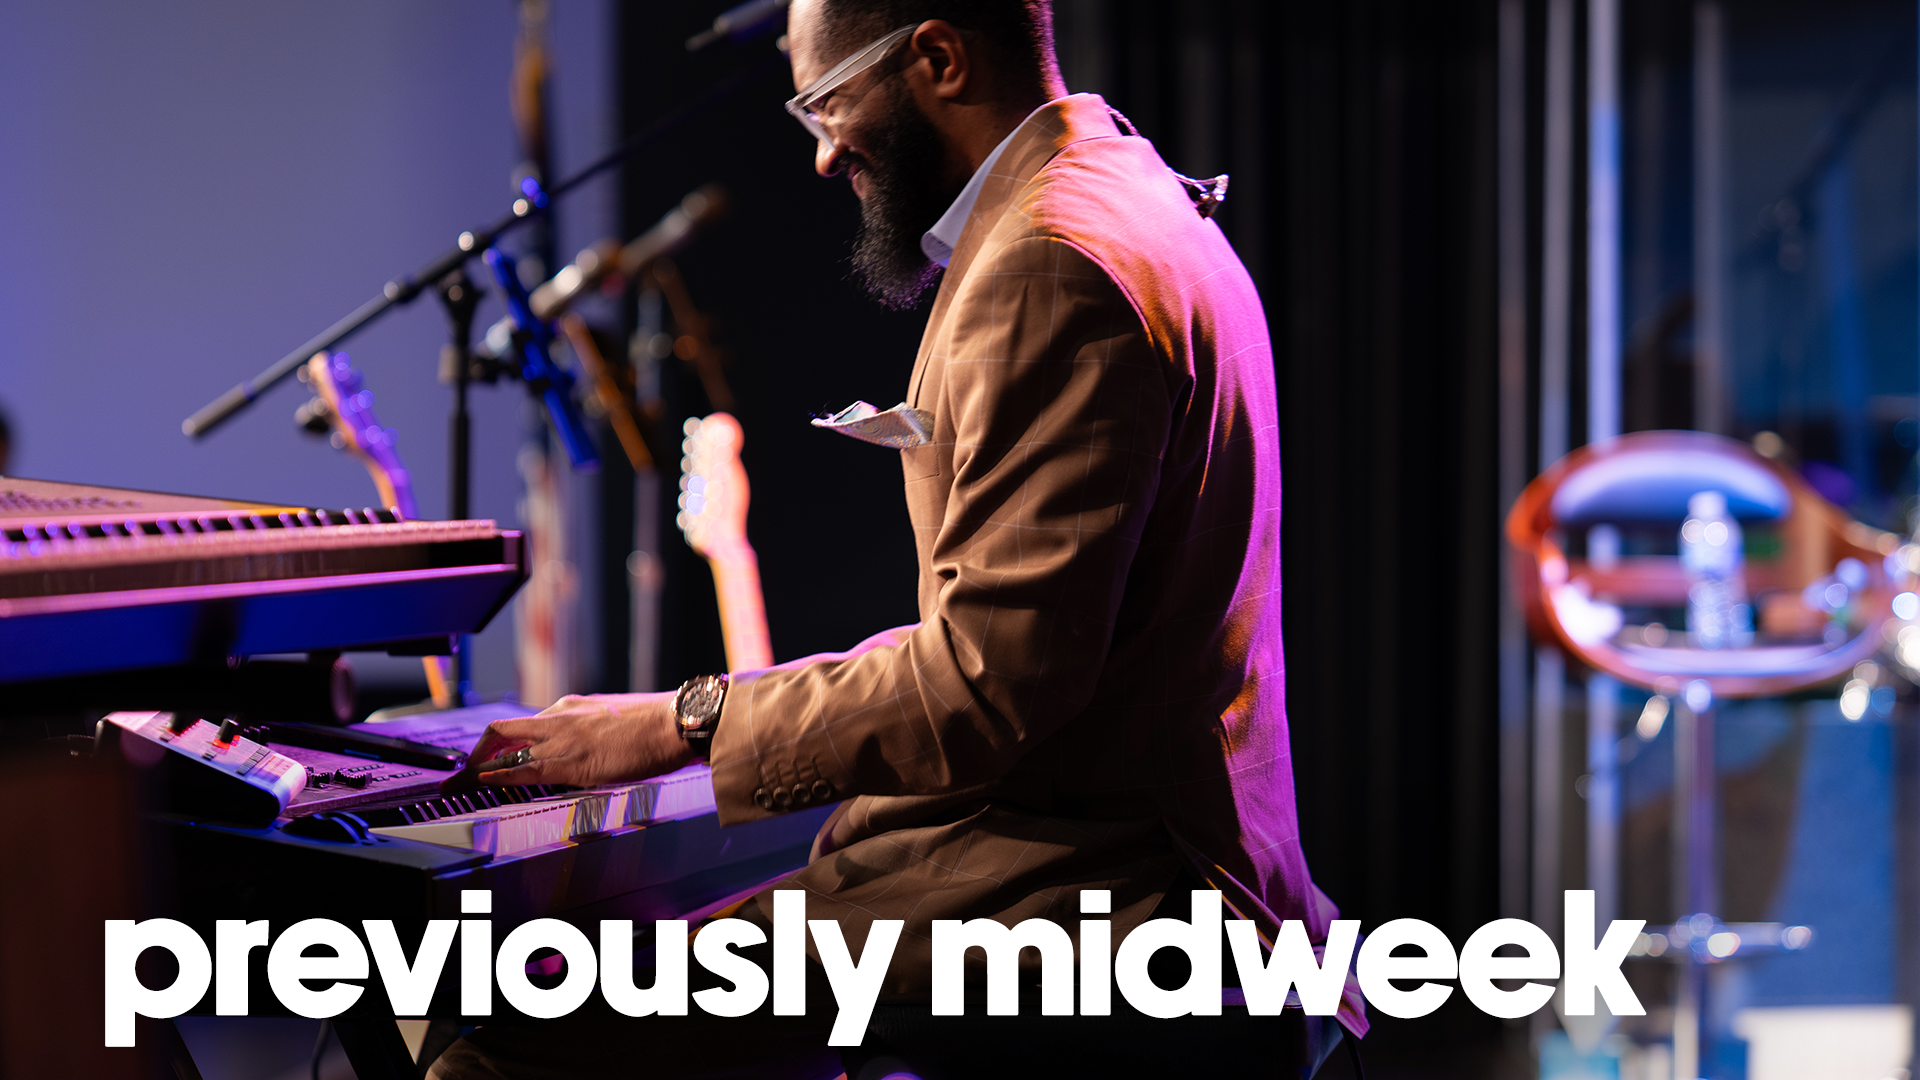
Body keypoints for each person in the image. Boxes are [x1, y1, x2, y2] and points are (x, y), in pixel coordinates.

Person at [432, 1, 1358, 1075]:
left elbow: (986, 683)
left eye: (827, 104)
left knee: (509, 1038)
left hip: (1098, 900)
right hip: (1145, 866)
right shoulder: (1130, 190)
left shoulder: (1049, 261)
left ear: (938, 58)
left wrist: (686, 722)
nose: (823, 155)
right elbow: (1017, 643)